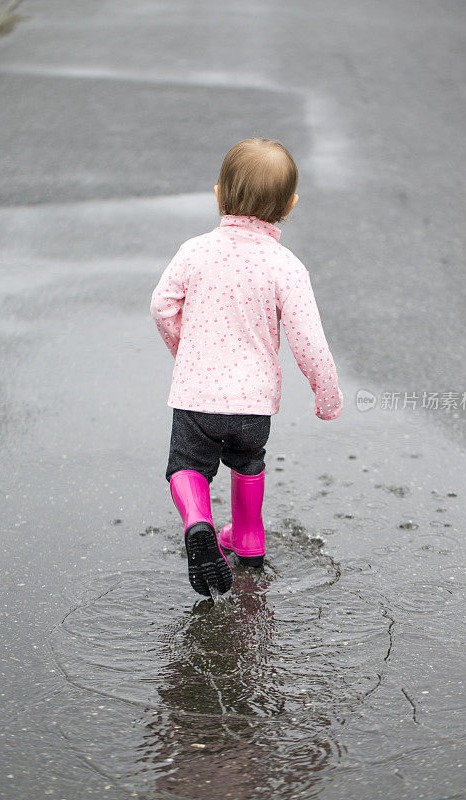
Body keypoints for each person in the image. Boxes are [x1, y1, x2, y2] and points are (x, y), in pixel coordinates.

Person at [150, 137, 343, 597]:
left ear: (219, 193)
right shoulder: (286, 266)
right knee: (247, 462)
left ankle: (198, 521)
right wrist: (326, 393)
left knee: (187, 465)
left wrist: (183, 347)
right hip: (254, 403)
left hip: (198, 395)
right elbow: (308, 339)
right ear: (290, 205)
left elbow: (162, 307)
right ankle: (249, 540)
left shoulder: (195, 250)